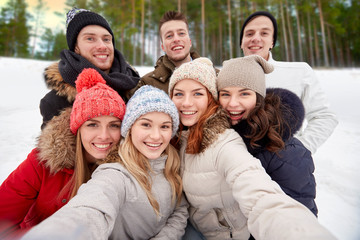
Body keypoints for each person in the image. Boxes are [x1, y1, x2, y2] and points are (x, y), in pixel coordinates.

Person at [168, 57, 335, 240]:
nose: (232, 103)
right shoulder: (177, 137)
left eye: (198, 93)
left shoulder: (226, 142)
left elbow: (263, 199)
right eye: (225, 94)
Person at [22, 86, 188, 240]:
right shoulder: (115, 173)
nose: (156, 136)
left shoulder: (171, 164)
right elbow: (92, 208)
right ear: (129, 129)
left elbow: (180, 209)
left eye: (164, 127)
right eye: (146, 124)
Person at [0, 68, 126, 239]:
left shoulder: (127, 169)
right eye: (92, 125)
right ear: (78, 128)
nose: (104, 136)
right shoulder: (42, 162)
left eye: (114, 125)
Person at [217, 55, 318, 218]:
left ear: (259, 98)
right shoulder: (220, 136)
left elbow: (296, 220)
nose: (232, 103)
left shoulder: (288, 152)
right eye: (225, 94)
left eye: (244, 94)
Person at [239, 11, 338, 154]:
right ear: (241, 42)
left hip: (285, 171)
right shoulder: (223, 77)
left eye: (264, 33)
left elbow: (324, 116)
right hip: (236, 169)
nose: (255, 38)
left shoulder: (299, 72)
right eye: (249, 34)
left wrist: (300, 150)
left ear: (272, 42)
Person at [40, 7, 140, 129]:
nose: (102, 46)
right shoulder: (56, 102)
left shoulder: (136, 88)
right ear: (75, 47)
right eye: (90, 39)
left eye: (106, 39)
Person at [129, 10, 200, 95]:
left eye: (181, 33)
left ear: (190, 41)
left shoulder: (215, 77)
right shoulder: (148, 84)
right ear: (163, 47)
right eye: (169, 36)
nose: (176, 39)